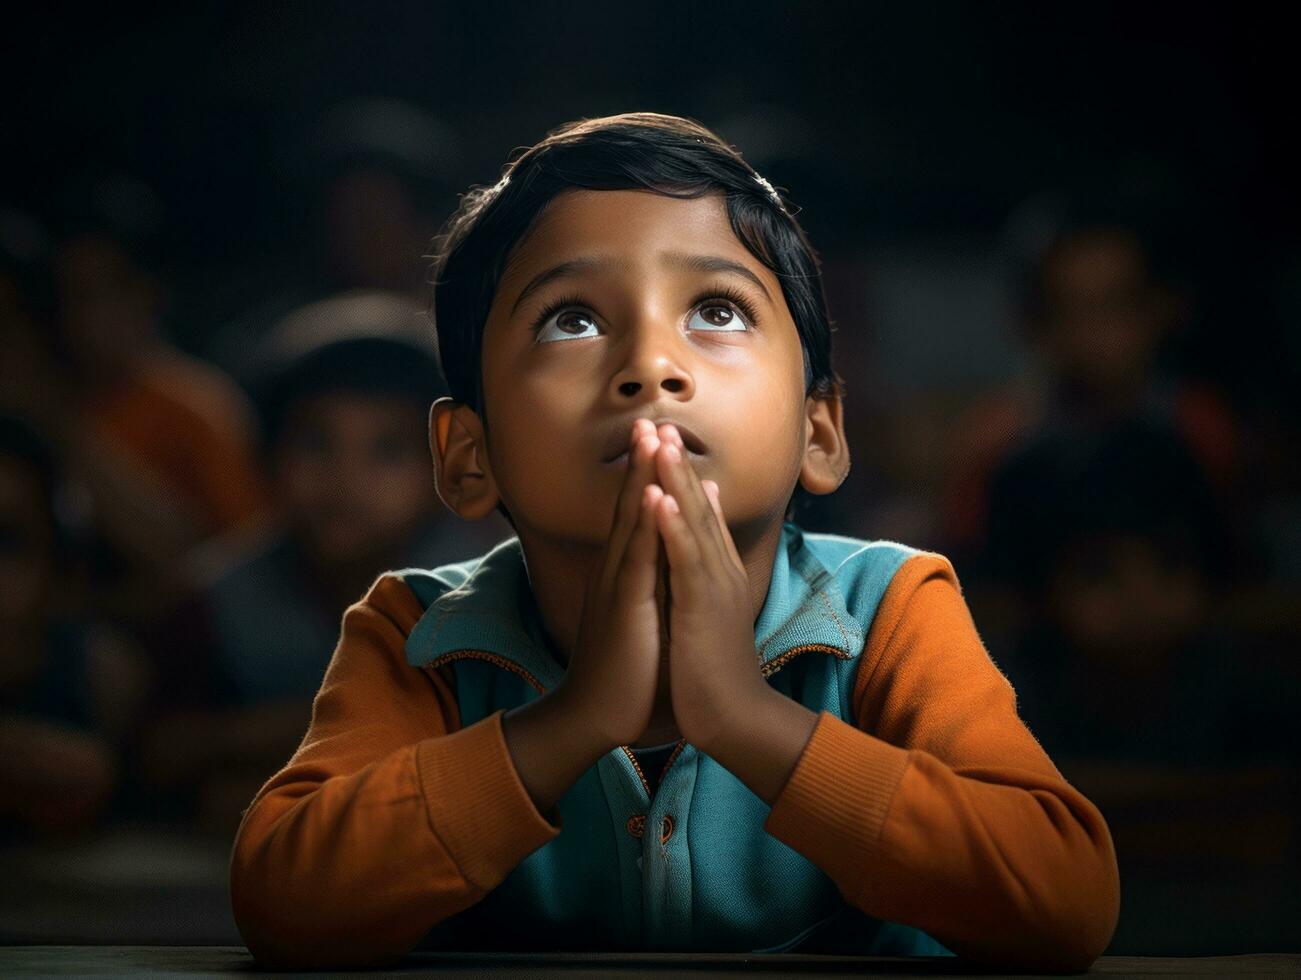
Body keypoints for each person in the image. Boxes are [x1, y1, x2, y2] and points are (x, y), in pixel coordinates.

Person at [230, 113, 1120, 971]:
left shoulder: (888, 610)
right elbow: (284, 900)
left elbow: (1065, 899)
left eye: (719, 311)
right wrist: (578, 720)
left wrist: (744, 718)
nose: (651, 364)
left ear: (819, 431)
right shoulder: (417, 633)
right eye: (570, 319)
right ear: (470, 456)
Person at [138, 291, 504, 834]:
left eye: (387, 450)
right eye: (316, 442)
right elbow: (159, 756)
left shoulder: (498, 589)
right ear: (267, 454)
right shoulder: (214, 599)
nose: (346, 479)